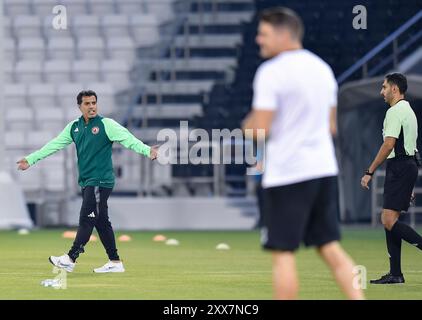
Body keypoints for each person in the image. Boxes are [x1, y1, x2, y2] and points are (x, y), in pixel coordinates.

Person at [242, 7, 364, 300]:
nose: (258, 39)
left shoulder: (271, 72)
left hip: (288, 175)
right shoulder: (322, 69)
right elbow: (331, 127)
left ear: (285, 34)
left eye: (264, 33)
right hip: (322, 170)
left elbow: (260, 129)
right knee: (330, 248)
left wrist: (247, 124)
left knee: (283, 255)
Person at [17, 90, 158, 273]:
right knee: (101, 221)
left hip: (100, 180)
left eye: (94, 103)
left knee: (86, 217)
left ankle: (70, 258)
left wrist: (147, 150)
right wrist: (31, 159)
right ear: (79, 106)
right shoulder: (74, 127)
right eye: (87, 104)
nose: (91, 106)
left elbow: (128, 139)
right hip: (87, 181)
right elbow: (54, 145)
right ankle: (115, 262)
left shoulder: (107, 125)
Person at [361, 73, 421, 284]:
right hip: (406, 165)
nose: (381, 91)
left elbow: (388, 145)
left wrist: (370, 171)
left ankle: (397, 272)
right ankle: (395, 274)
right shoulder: (408, 110)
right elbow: (409, 147)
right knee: (390, 221)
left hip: (400, 166)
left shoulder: (395, 111)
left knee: (387, 220)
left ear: (395, 89)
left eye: (384, 87)